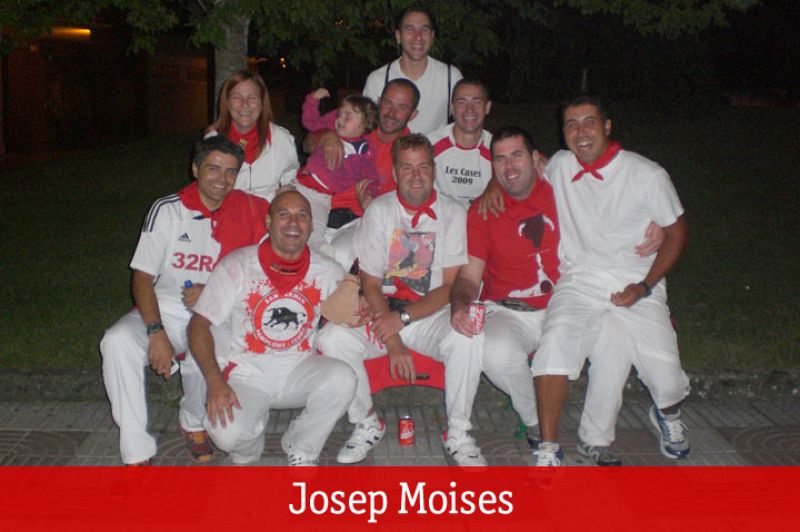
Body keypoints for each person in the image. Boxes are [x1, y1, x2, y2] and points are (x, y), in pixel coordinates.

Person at [531, 94, 690, 466]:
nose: (581, 132)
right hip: (580, 279)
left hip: (637, 281)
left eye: (589, 122)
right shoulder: (560, 165)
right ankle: (561, 447)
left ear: (606, 126)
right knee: (556, 344)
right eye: (571, 125)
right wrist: (494, 186)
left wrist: (644, 286)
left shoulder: (645, 174)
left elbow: (678, 232)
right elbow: (520, 170)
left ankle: (667, 413)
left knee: (667, 381)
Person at [316, 134, 486, 466]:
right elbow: (370, 283)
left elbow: (449, 287)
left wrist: (403, 319)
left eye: (423, 167)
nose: (416, 176)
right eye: (407, 168)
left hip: (429, 314)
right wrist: (392, 339)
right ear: (395, 173)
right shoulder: (380, 210)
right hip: (382, 310)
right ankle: (366, 423)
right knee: (331, 338)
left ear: (434, 170)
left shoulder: (453, 212)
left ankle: (458, 432)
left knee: (469, 336)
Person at [100, 136, 270, 465]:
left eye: (231, 172)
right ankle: (136, 449)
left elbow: (266, 271)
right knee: (116, 341)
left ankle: (192, 421)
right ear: (195, 169)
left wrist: (215, 290)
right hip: (166, 309)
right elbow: (142, 277)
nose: (222, 179)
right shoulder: (169, 210)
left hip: (219, 313)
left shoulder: (252, 210)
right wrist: (156, 332)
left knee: (206, 350)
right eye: (213, 169)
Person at [188, 190, 356, 466]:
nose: (294, 223)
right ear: (268, 221)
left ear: (311, 225)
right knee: (225, 434)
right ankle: (249, 446)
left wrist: (363, 307)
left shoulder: (327, 269)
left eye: (302, 216)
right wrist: (215, 381)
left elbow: (352, 312)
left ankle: (302, 446)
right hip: (248, 372)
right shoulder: (238, 264)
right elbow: (198, 324)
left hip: (300, 367)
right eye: (284, 214)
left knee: (343, 378)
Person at [447, 126, 559, 449]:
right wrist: (459, 305)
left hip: (562, 304)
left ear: (535, 159)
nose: (509, 166)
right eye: (500, 159)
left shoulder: (561, 189)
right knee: (494, 352)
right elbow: (469, 278)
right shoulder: (483, 211)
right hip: (509, 311)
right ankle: (535, 420)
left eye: (516, 156)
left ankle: (598, 434)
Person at [295, 89, 379, 256]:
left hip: (321, 195)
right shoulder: (329, 131)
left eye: (348, 117)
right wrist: (313, 100)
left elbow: (372, 177)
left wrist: (370, 194)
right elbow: (310, 122)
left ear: (364, 125)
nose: (340, 119)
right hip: (300, 183)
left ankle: (318, 248)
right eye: (340, 114)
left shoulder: (364, 153)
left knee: (316, 224)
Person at [362, 3, 462, 134]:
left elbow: (466, 122)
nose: (418, 37)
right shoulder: (378, 79)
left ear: (432, 37)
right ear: (398, 36)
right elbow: (364, 126)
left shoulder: (450, 77)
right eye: (410, 30)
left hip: (436, 147)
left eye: (424, 30)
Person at [206, 69, 298, 200]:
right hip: (227, 208)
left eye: (252, 98)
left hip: (269, 209)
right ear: (226, 102)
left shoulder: (281, 139)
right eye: (237, 97)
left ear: (262, 102)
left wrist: (282, 195)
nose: (245, 104)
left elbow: (290, 176)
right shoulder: (212, 141)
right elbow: (208, 190)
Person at [427, 79, 493, 207]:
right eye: (462, 102)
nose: (470, 110)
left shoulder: (497, 149)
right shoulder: (429, 145)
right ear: (451, 107)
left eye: (476, 102)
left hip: (481, 218)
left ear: (487, 107)